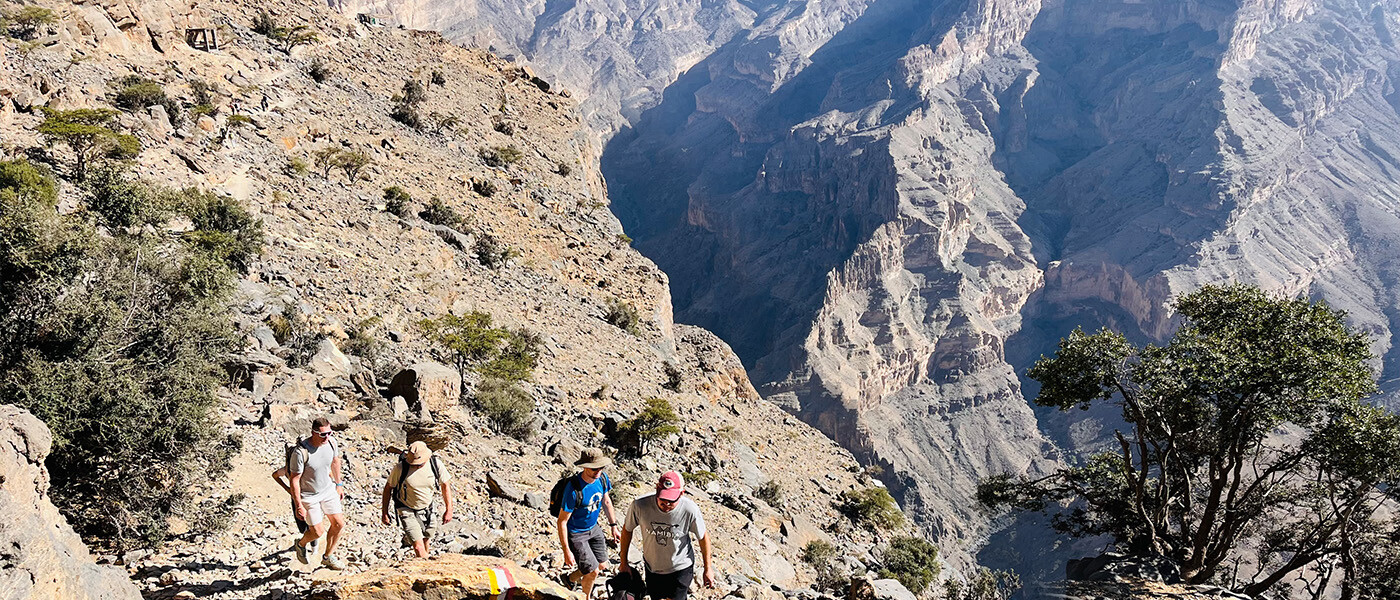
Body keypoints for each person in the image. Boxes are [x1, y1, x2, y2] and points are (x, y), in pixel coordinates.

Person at [619, 472, 715, 600]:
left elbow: (703, 537)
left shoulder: (690, 509)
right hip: (652, 567)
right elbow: (627, 530)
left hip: (680, 567)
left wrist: (708, 568)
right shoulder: (640, 505)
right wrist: (623, 562)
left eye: (671, 501)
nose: (666, 505)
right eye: (662, 500)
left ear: (682, 493)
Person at [556, 448, 621, 599]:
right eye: (594, 468)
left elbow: (606, 501)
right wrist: (566, 550)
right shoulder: (573, 489)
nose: (598, 471)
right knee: (593, 571)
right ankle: (585, 597)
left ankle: (569, 579)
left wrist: (613, 526)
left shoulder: (602, 478)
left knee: (602, 565)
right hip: (577, 533)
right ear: (585, 467)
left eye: (600, 467)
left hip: (594, 528)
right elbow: (562, 521)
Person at [287, 417, 348, 570]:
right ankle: (301, 544)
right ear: (313, 432)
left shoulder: (332, 443)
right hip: (309, 496)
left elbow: (335, 461)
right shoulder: (301, 453)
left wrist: (339, 484)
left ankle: (328, 557)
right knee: (317, 532)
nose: (327, 437)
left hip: (328, 489)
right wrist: (298, 505)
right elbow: (294, 479)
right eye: (322, 434)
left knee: (339, 524)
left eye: (329, 433)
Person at [380, 441, 454, 558]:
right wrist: (385, 512)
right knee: (418, 547)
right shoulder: (400, 468)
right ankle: (426, 565)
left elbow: (445, 486)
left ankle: (424, 564)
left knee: (426, 539)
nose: (417, 465)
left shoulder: (435, 464)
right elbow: (388, 489)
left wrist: (449, 510)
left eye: (420, 463)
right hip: (406, 508)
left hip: (427, 508)